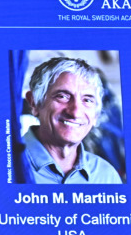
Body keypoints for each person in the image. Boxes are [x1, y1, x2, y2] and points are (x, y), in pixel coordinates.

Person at [15, 56, 123, 185]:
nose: (75, 112)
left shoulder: (106, 176)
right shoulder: (4, 167)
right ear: (34, 102)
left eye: (87, 100)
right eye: (62, 96)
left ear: (96, 115)